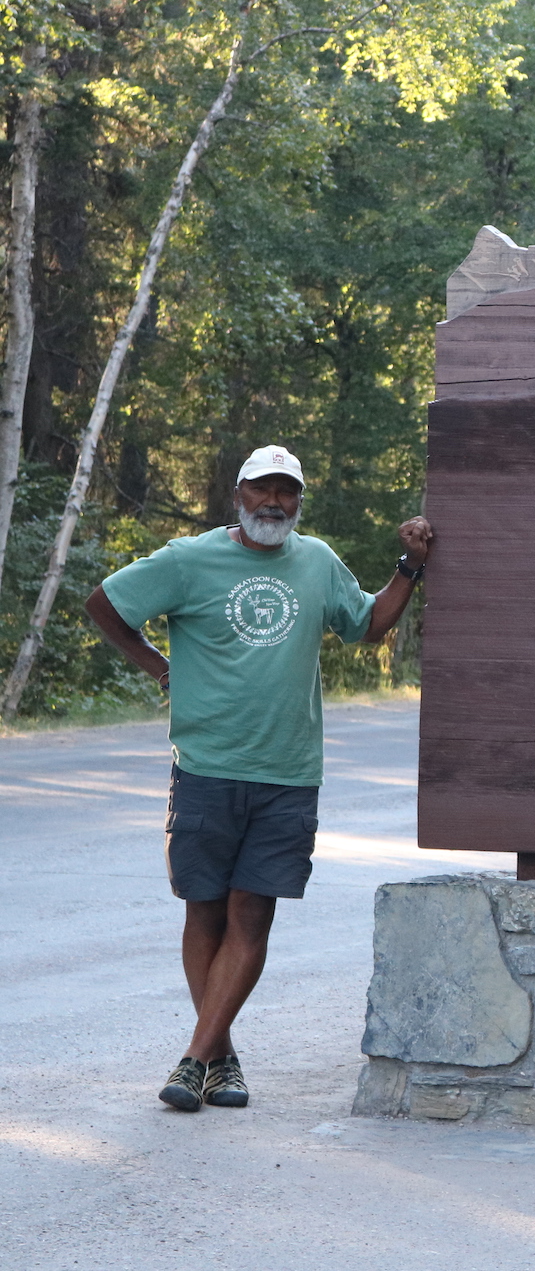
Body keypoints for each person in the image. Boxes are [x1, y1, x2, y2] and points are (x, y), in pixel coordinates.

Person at [84, 445, 433, 1113]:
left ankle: (194, 1058)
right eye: (261, 490)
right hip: (207, 767)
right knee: (205, 911)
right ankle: (222, 1055)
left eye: (287, 492)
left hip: (288, 772)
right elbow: (106, 603)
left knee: (252, 915)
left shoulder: (317, 562)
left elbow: (368, 625)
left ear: (299, 501)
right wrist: (158, 666)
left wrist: (410, 566)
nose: (274, 502)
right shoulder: (189, 559)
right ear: (238, 493)